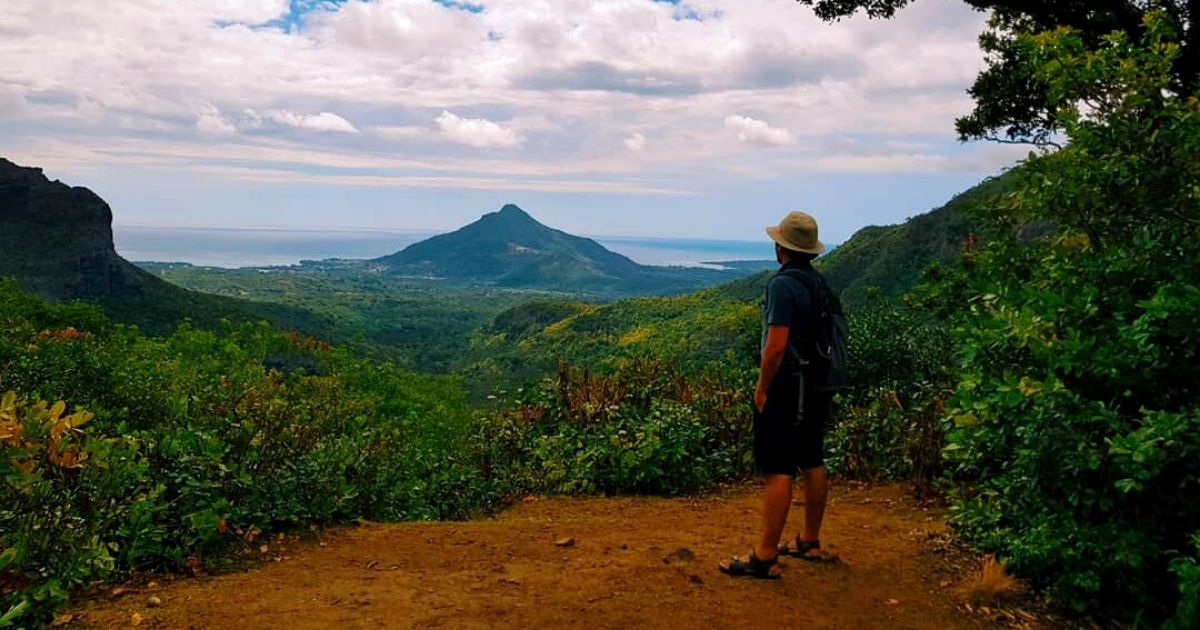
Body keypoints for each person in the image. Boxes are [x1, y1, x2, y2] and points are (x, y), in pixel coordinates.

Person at [719, 210, 835, 579]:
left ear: (780, 247)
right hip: (816, 384)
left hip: (787, 385)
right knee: (812, 459)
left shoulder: (781, 286)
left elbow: (775, 345)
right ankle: (809, 541)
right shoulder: (819, 284)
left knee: (778, 467)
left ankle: (765, 556)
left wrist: (761, 387)